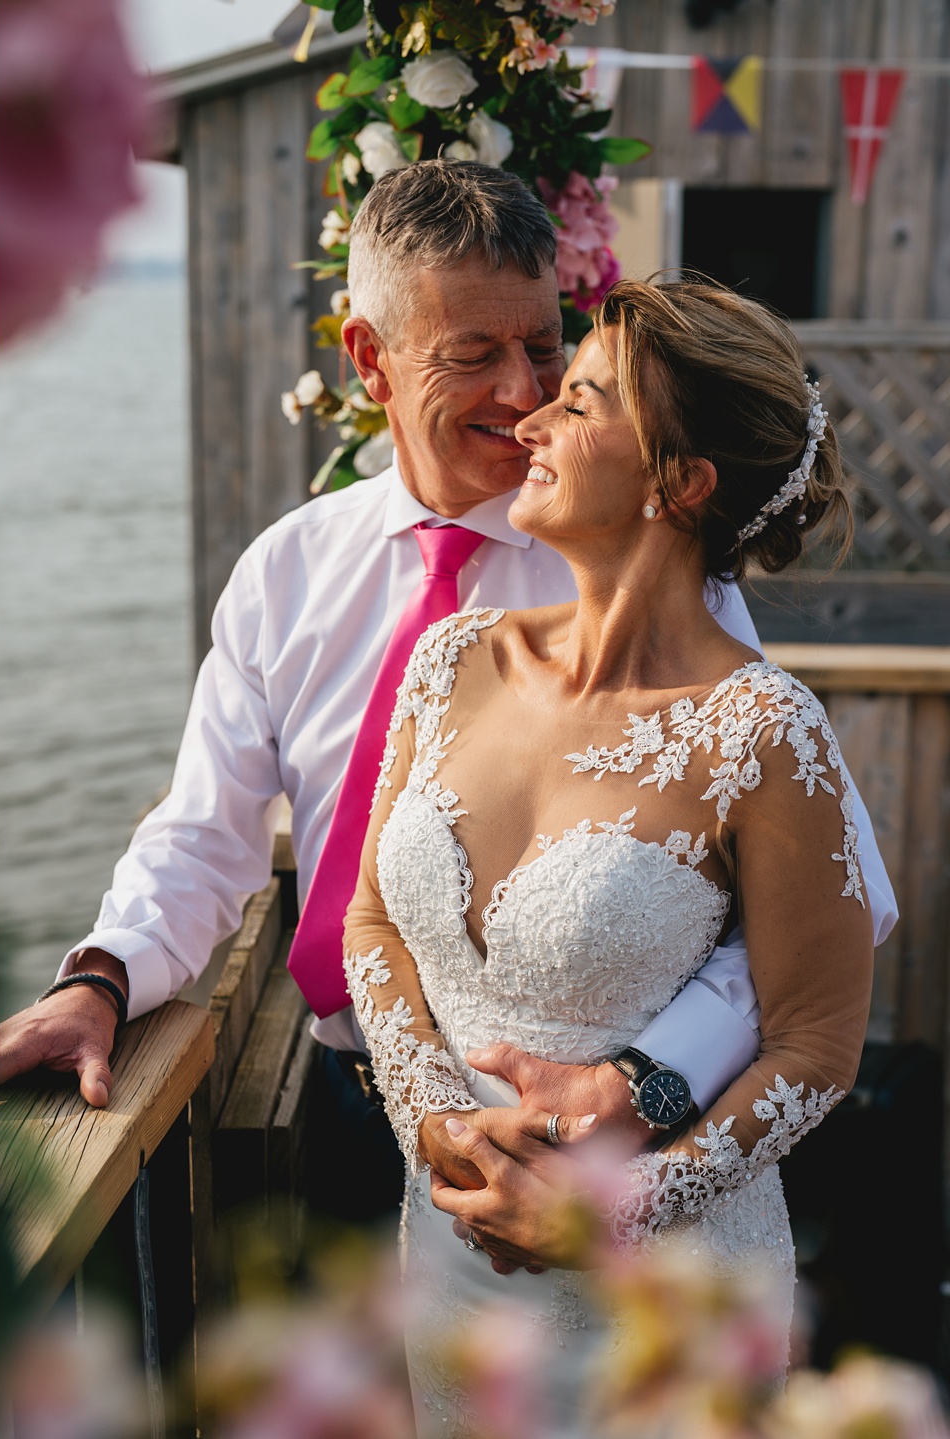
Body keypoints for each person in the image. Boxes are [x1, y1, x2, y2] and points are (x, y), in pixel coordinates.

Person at [0, 161, 895, 1266]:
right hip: (338, 1090)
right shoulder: (288, 572)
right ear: (370, 358)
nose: (524, 397)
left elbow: (830, 913)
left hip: (605, 1147)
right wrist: (102, 975)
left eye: (547, 351)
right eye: (474, 356)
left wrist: (634, 1092)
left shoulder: (677, 595)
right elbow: (204, 834)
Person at [348, 276, 873, 1429]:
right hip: (450, 1256)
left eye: (578, 402)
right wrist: (432, 1115)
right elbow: (373, 917)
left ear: (680, 483)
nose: (529, 419)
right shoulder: (449, 659)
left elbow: (817, 1043)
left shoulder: (763, 732)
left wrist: (625, 1206)